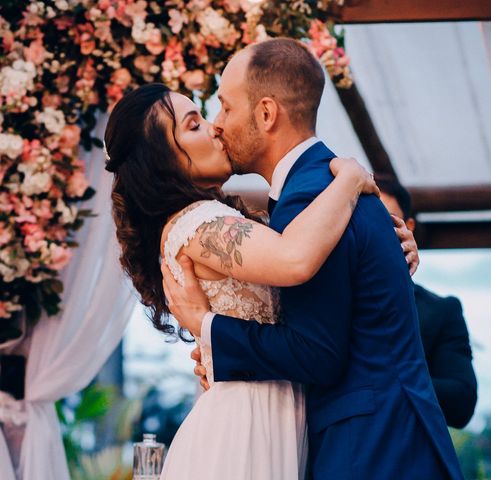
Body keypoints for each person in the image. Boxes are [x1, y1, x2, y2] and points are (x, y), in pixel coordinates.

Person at [161, 38, 465, 479]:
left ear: (266, 114)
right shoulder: (322, 190)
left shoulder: (311, 198)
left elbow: (316, 351)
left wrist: (208, 329)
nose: (218, 124)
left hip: (374, 449)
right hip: (384, 438)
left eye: (225, 108)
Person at [104, 84, 418, 478]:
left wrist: (389, 249)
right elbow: (295, 258)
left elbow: (316, 270)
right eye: (194, 125)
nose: (215, 128)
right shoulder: (198, 224)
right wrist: (350, 180)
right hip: (243, 428)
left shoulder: (219, 218)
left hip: (277, 414)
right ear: (162, 160)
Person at [376, 175, 478, 428]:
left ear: (407, 226)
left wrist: (387, 380)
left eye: (384, 221)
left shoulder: (440, 311)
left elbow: (462, 401)